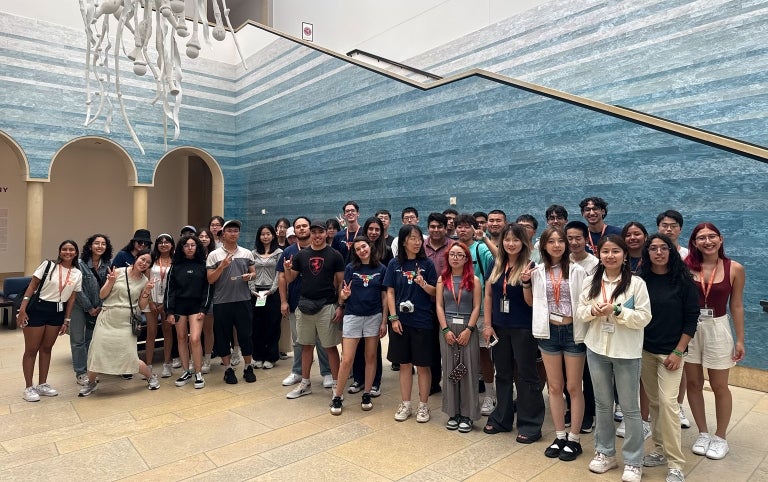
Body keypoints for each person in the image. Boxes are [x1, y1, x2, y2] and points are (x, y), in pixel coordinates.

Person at [576, 235, 652, 482]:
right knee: (602, 404)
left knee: (630, 408)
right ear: (599, 254)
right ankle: (605, 453)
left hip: (626, 352)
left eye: (616, 251)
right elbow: (580, 311)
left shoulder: (636, 284)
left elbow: (644, 317)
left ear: (625, 255)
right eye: (606, 251)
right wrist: (592, 310)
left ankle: (633, 460)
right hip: (596, 348)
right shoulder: (591, 282)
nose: (610, 256)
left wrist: (618, 310)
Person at [639, 233, 698, 482]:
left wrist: (678, 351)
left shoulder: (684, 281)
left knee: (668, 404)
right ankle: (661, 450)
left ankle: (676, 464)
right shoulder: (640, 280)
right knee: (654, 402)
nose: (659, 252)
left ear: (671, 251)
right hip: (645, 351)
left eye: (664, 248)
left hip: (671, 353)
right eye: (653, 248)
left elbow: (691, 319)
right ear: (647, 252)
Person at [684, 222, 745, 460]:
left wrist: (740, 339)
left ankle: (720, 437)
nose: (707, 241)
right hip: (690, 328)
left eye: (711, 237)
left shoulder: (735, 268)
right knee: (693, 383)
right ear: (695, 242)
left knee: (720, 385)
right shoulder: (686, 267)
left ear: (720, 239)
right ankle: (703, 433)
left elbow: (737, 305)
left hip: (718, 328)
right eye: (701, 238)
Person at [481, 224, 544, 443]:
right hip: (499, 327)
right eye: (507, 240)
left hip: (523, 328)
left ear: (523, 243)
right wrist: (487, 325)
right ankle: (502, 419)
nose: (510, 243)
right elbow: (488, 295)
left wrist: (526, 282)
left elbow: (531, 302)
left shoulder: (531, 266)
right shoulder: (496, 264)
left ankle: (530, 424)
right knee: (503, 373)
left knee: (526, 376)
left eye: (515, 240)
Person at [530, 227, 587, 461]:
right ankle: (560, 435)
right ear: (543, 245)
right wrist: (525, 283)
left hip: (573, 332)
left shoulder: (577, 270)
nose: (556, 245)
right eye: (551, 241)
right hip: (548, 332)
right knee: (554, 387)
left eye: (560, 241)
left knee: (573, 387)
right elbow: (531, 301)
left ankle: (574, 439)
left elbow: (584, 300)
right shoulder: (537, 272)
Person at [79, 250, 160, 396]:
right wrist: (110, 281)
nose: (144, 263)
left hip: (126, 322)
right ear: (136, 258)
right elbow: (102, 295)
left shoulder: (144, 281)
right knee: (97, 352)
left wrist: (147, 291)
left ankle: (150, 377)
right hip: (107, 318)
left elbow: (141, 306)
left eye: (148, 262)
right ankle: (91, 383)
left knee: (129, 355)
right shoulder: (118, 272)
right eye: (142, 259)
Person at [283, 220, 345, 400]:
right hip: (305, 305)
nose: (317, 236)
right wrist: (287, 269)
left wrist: (340, 306)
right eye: (314, 232)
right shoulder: (302, 255)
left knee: (330, 347)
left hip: (327, 305)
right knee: (306, 346)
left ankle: (336, 384)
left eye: (320, 232)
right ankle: (305, 383)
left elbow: (341, 282)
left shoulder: (335, 255)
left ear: (326, 233)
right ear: (310, 234)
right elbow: (290, 279)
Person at [16, 240, 83, 402]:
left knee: (46, 348)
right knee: (31, 349)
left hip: (57, 312)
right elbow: (32, 286)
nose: (68, 252)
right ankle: (28, 387)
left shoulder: (77, 273)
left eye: (71, 249)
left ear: (76, 253)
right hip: (37, 309)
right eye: (64, 249)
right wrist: (23, 309)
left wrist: (66, 319)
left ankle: (42, 384)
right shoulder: (48, 265)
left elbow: (72, 298)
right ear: (60, 252)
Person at [385, 225, 438, 422]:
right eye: (412, 238)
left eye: (419, 239)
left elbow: (435, 291)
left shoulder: (428, 264)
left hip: (422, 320)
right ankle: (406, 403)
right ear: (403, 241)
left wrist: (423, 284)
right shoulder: (394, 265)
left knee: (423, 365)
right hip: (400, 322)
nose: (417, 242)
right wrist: (393, 317)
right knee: (405, 364)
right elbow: (390, 291)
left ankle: (423, 406)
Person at [277, 216, 334, 390]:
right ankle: (298, 372)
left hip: (323, 303)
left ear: (310, 229)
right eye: (298, 227)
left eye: (305, 226)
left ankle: (327, 373)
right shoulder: (289, 252)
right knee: (300, 341)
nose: (301, 229)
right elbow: (282, 277)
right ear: (294, 230)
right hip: (297, 303)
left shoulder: (323, 250)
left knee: (323, 341)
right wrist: (284, 301)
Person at [333, 237, 388, 414]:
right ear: (355, 252)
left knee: (370, 357)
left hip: (373, 316)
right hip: (353, 316)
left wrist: (384, 320)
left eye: (364, 246)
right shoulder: (350, 268)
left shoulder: (381, 269)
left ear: (370, 246)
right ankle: (338, 396)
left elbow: (385, 297)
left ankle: (366, 394)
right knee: (347, 358)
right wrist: (344, 295)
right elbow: (343, 294)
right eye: (358, 249)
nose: (362, 250)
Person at [436, 242, 481, 432]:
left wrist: (469, 329)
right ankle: (452, 412)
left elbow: (477, 307)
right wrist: (445, 330)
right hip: (447, 328)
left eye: (459, 255)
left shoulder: (474, 280)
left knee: (468, 371)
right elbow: (439, 306)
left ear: (466, 259)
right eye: (452, 254)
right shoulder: (442, 279)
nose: (455, 257)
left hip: (467, 329)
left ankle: (467, 414)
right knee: (450, 370)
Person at [206, 220, 258, 385]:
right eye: (230, 230)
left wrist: (250, 276)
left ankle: (248, 367)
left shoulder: (247, 253)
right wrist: (221, 266)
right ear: (223, 234)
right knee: (222, 337)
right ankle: (228, 369)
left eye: (236, 230)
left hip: (243, 300)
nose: (233, 233)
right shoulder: (214, 255)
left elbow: (253, 273)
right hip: (222, 302)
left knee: (246, 335)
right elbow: (210, 279)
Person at [656, 209, 691, 428]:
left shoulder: (688, 255)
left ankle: (678, 407)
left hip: (684, 319)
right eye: (664, 225)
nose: (668, 229)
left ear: (680, 229)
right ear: (658, 227)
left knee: (681, 367)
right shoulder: (653, 252)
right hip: (661, 320)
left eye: (673, 226)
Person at [347, 217, 390, 396]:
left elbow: (387, 287)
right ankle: (358, 378)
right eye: (370, 229)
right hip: (356, 308)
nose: (373, 232)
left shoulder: (386, 252)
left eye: (377, 229)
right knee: (356, 345)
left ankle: (374, 381)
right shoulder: (357, 251)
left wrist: (385, 317)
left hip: (375, 306)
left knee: (373, 349)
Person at [165, 235, 212, 389]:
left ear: (197, 247)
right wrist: (169, 311)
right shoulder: (176, 266)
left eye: (193, 245)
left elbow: (208, 289)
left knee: (195, 339)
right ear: (182, 248)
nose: (190, 248)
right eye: (186, 245)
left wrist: (204, 309)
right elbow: (169, 291)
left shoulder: (203, 265)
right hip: (179, 307)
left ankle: (198, 372)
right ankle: (186, 371)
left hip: (197, 307)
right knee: (181, 338)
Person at [71, 234, 112, 386]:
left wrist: (99, 306)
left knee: (91, 339)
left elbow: (109, 286)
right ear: (90, 246)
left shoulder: (107, 264)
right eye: (97, 243)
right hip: (79, 306)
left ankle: (90, 370)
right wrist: (89, 307)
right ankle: (80, 372)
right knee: (77, 340)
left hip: (98, 308)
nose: (100, 246)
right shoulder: (80, 264)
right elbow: (77, 288)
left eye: (103, 244)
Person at [248, 224, 283, 370]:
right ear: (259, 236)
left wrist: (273, 289)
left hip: (273, 293)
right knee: (257, 326)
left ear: (273, 235)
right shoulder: (253, 253)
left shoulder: (279, 252)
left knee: (272, 325)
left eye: (268, 233)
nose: (265, 236)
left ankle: (271, 357)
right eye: (262, 234)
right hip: (257, 293)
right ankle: (258, 356)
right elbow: (250, 272)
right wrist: (252, 289)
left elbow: (279, 273)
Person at [148, 234, 177, 378]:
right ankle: (148, 365)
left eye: (167, 242)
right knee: (151, 332)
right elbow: (145, 281)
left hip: (168, 302)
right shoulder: (152, 260)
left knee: (167, 332)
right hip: (152, 300)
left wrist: (166, 303)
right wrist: (150, 301)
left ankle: (167, 364)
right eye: (160, 242)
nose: (163, 244)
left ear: (172, 245)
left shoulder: (176, 261)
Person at [196, 228, 216, 373]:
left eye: (206, 236)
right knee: (195, 333)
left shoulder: (214, 255)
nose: (203, 239)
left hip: (211, 296)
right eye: (201, 236)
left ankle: (207, 359)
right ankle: (195, 359)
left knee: (208, 330)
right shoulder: (192, 255)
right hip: (194, 297)